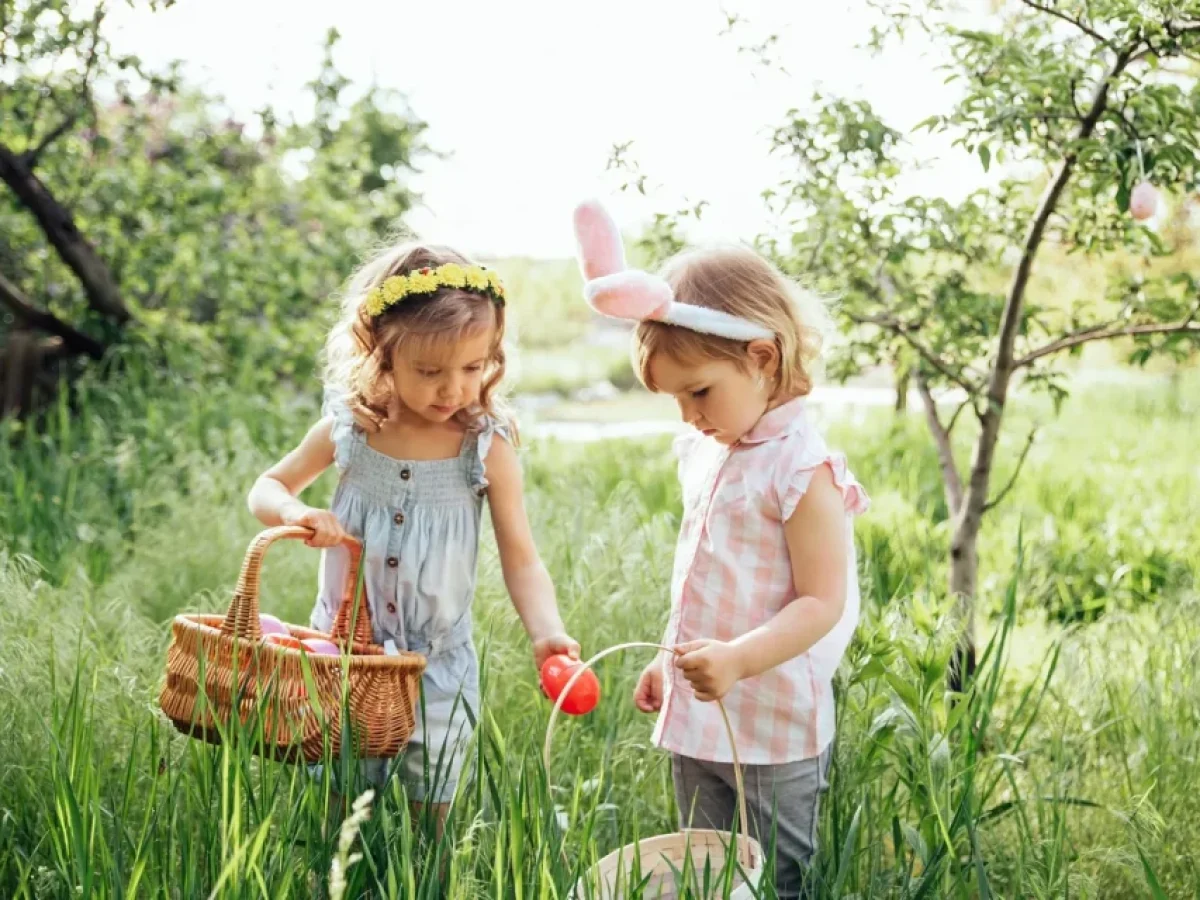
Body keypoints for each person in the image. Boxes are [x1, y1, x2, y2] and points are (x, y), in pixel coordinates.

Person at [573, 200, 869, 898]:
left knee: (777, 877)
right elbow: (706, 577)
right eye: (676, 398)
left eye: (700, 391)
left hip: (771, 723)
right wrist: (664, 655)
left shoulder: (802, 469)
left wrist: (739, 658)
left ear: (761, 358)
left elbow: (822, 601)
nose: (689, 415)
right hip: (701, 712)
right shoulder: (710, 452)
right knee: (700, 871)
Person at [248, 242, 579, 824]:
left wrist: (546, 632)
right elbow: (268, 486)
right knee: (336, 806)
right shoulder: (350, 430)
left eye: (473, 369)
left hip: (438, 665)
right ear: (381, 354)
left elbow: (521, 559)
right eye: (429, 372)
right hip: (342, 657)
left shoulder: (486, 446)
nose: (453, 389)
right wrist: (295, 514)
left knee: (433, 815)